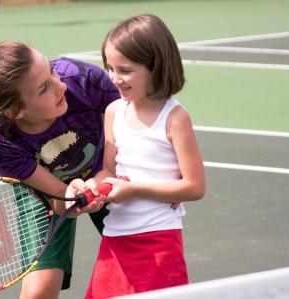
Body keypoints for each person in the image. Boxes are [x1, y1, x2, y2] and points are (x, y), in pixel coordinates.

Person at [0, 41, 120, 299]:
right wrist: (69, 200)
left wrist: (110, 175)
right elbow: (56, 194)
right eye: (44, 88)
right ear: (13, 111)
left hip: (108, 164)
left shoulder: (81, 78)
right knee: (39, 291)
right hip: (45, 189)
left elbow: (135, 124)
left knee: (142, 262)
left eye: (51, 71)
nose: (61, 86)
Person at [68, 14, 206, 298]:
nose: (115, 78)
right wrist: (94, 186)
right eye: (109, 68)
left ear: (156, 67)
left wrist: (134, 190)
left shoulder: (175, 118)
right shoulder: (114, 111)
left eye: (125, 70)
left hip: (158, 241)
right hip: (115, 237)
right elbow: (108, 170)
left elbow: (194, 187)